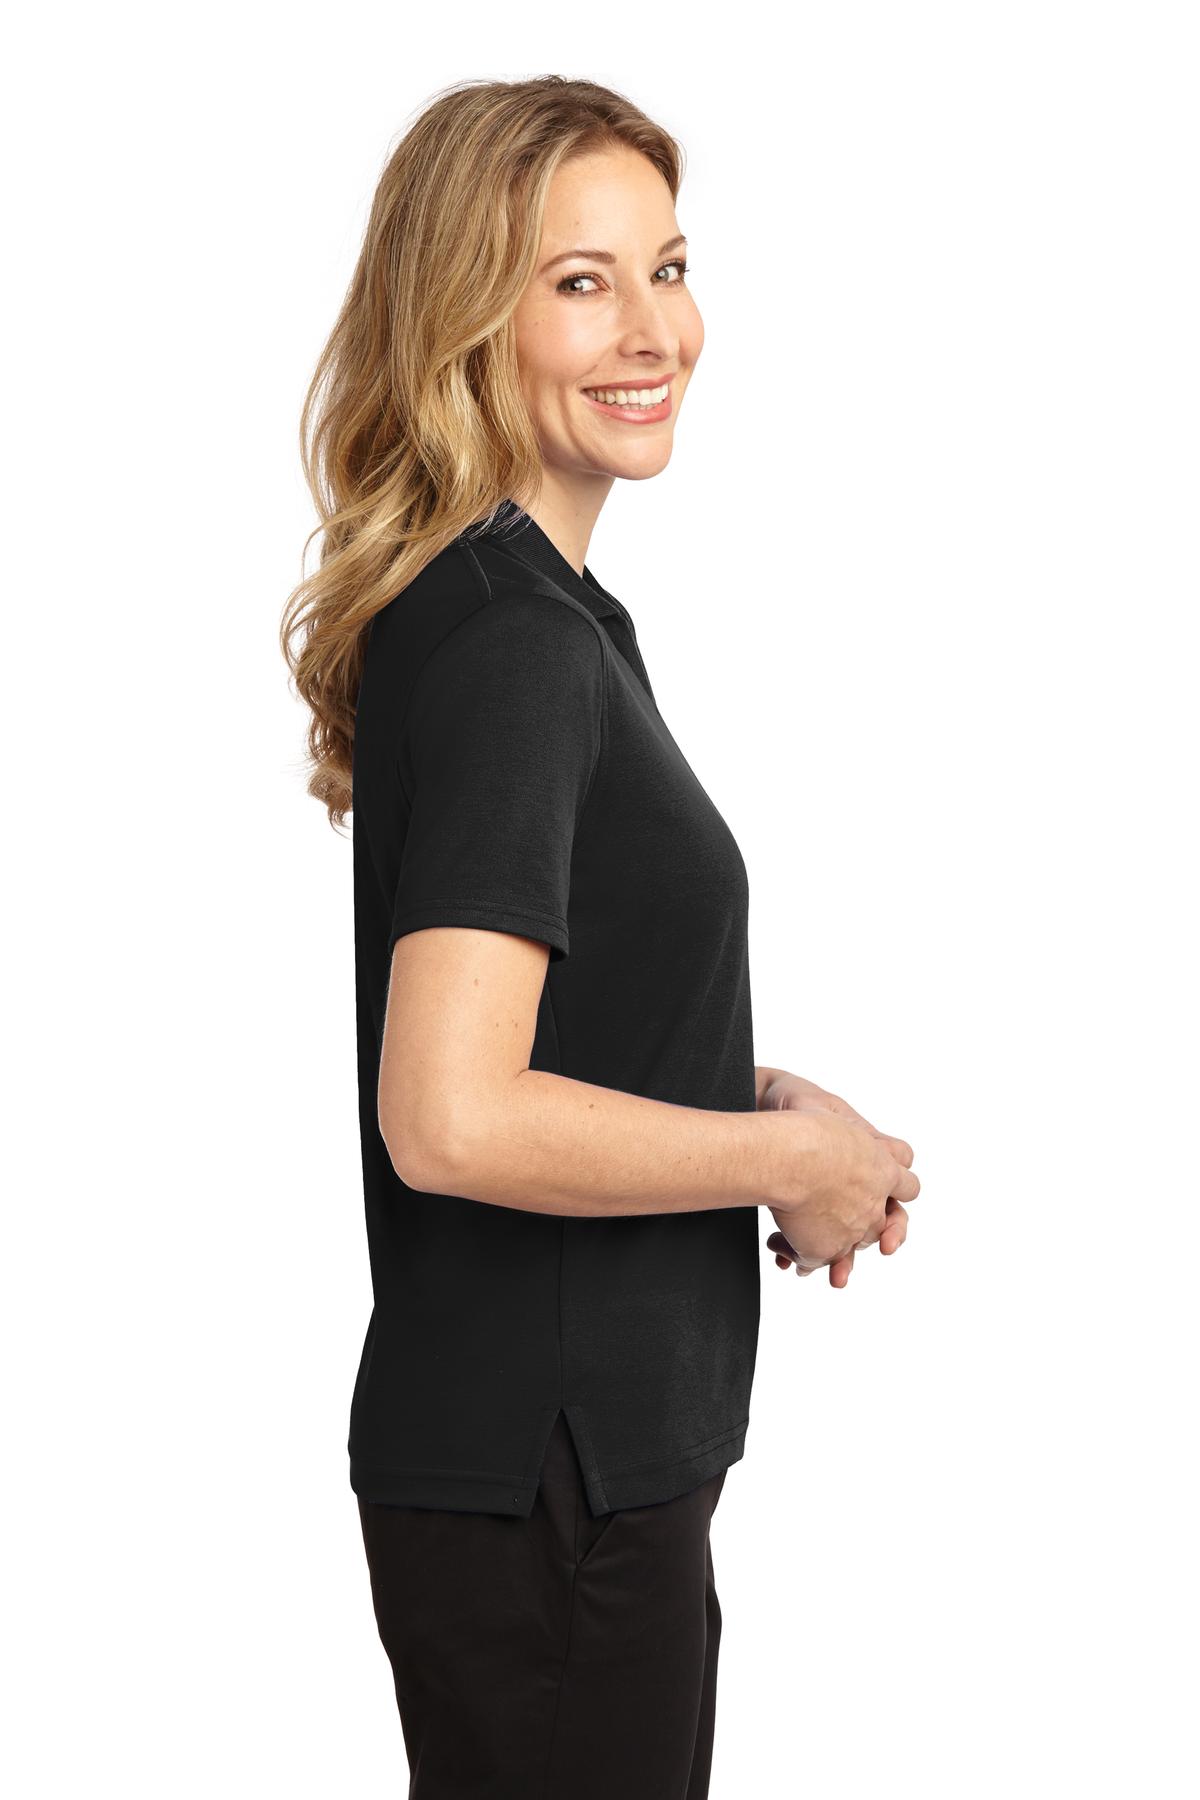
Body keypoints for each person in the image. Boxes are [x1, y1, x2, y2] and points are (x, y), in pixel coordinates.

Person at [281, 74, 919, 1800]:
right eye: (581, 281)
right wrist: (781, 1159)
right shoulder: (516, 645)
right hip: (548, 1485)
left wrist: (764, 1102)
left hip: (551, 1479)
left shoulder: (522, 615)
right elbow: (451, 1114)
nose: (655, 331)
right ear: (465, 318)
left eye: (670, 267)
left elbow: (544, 1034)